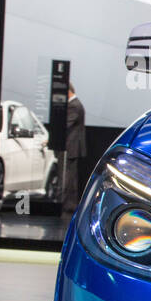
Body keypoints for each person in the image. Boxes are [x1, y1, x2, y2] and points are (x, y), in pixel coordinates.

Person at [62, 83, 86, 213]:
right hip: (72, 146)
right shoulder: (76, 104)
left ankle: (69, 205)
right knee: (71, 177)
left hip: (72, 147)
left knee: (70, 178)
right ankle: (69, 204)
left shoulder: (75, 105)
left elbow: (66, 124)